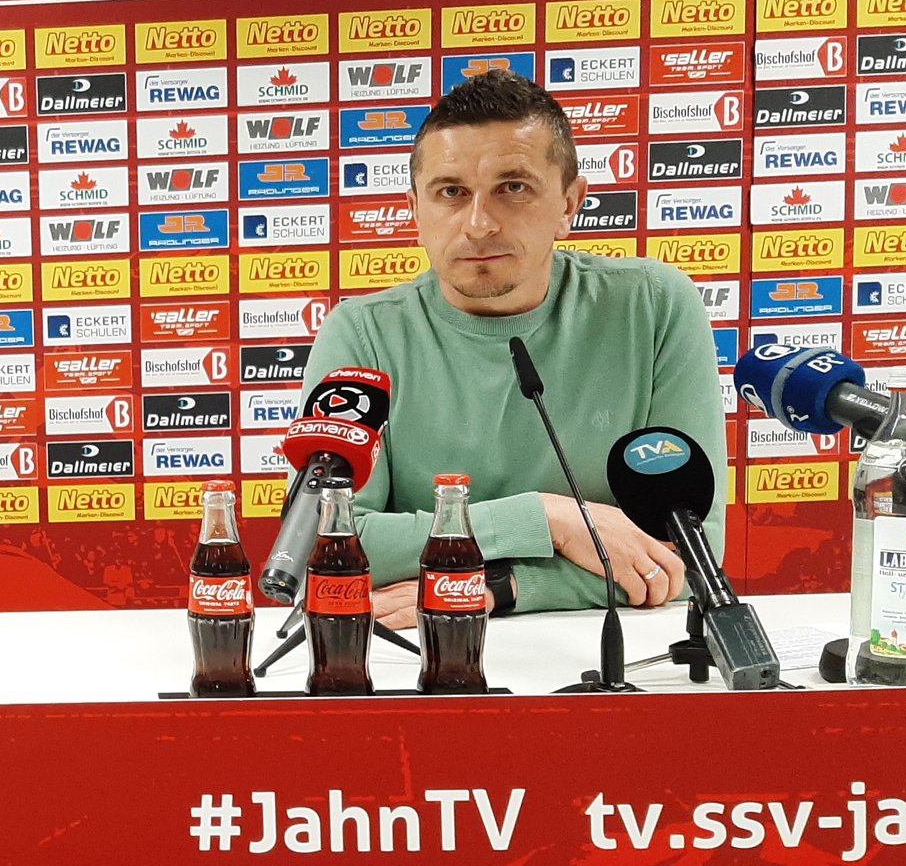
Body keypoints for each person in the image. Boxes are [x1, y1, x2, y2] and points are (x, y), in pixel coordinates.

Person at [303, 70, 726, 627]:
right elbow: (327, 542)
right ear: (414, 209)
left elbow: (687, 554)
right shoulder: (362, 332)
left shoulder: (654, 307)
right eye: (451, 193)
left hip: (598, 652)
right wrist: (546, 519)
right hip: (418, 661)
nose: (478, 225)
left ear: (570, 204)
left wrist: (500, 587)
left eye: (513, 188)